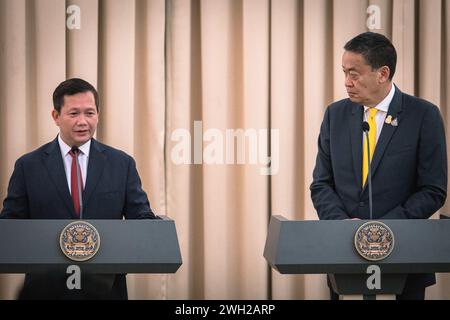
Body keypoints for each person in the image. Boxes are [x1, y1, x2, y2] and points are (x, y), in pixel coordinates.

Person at [310, 32, 447, 300]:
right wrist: (345, 227)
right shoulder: (335, 115)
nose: (346, 82)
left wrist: (378, 233)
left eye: (354, 73)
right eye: (344, 72)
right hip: (342, 254)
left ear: (382, 73)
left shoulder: (424, 115)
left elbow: (433, 190)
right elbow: (321, 184)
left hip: (405, 258)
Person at [0, 78, 158, 299]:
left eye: (90, 113)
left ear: (98, 115)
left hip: (105, 290)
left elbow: (140, 217)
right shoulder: (28, 166)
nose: (83, 121)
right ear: (56, 116)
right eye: (74, 113)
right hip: (45, 290)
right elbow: (11, 225)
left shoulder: (122, 164)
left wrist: (153, 226)